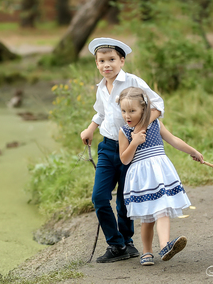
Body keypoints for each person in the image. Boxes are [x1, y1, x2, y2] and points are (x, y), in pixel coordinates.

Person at [80, 37, 165, 263]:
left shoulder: (133, 82)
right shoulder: (101, 87)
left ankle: (127, 243)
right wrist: (90, 129)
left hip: (130, 147)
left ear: (122, 61)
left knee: (125, 199)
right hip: (107, 147)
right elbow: (101, 113)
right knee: (99, 197)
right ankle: (116, 244)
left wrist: (140, 128)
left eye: (111, 60)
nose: (106, 65)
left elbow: (157, 105)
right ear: (96, 64)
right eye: (101, 61)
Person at [116, 87, 203, 266]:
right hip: (142, 178)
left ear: (143, 109)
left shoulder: (155, 124)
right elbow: (124, 160)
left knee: (162, 209)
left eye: (132, 111)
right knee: (147, 218)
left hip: (160, 174)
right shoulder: (124, 132)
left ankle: (165, 246)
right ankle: (146, 252)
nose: (127, 115)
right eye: (124, 111)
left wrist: (193, 151)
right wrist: (134, 143)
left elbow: (174, 140)